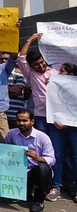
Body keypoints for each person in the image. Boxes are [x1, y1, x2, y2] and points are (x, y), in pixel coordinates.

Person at [5, 109, 55, 212]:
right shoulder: (11, 134)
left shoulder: (42, 137)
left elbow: (52, 159)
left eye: (25, 121)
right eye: (19, 120)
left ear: (32, 121)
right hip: (17, 172)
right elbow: (5, 151)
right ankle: (26, 191)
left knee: (44, 168)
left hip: (34, 172)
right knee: (24, 197)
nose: (21, 123)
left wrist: (37, 158)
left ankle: (38, 201)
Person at [47, 62, 77, 203]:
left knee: (75, 157)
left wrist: (68, 122)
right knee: (57, 156)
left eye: (62, 71)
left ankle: (74, 187)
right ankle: (55, 186)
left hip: (73, 127)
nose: (59, 74)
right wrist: (51, 85)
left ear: (71, 75)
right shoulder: (55, 83)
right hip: (56, 125)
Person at [17, 33, 59, 135]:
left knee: (57, 146)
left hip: (57, 115)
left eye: (42, 62)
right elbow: (21, 57)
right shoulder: (31, 74)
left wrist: (55, 80)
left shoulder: (56, 69)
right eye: (36, 64)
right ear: (31, 66)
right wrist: (30, 40)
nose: (40, 66)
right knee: (40, 142)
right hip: (41, 115)